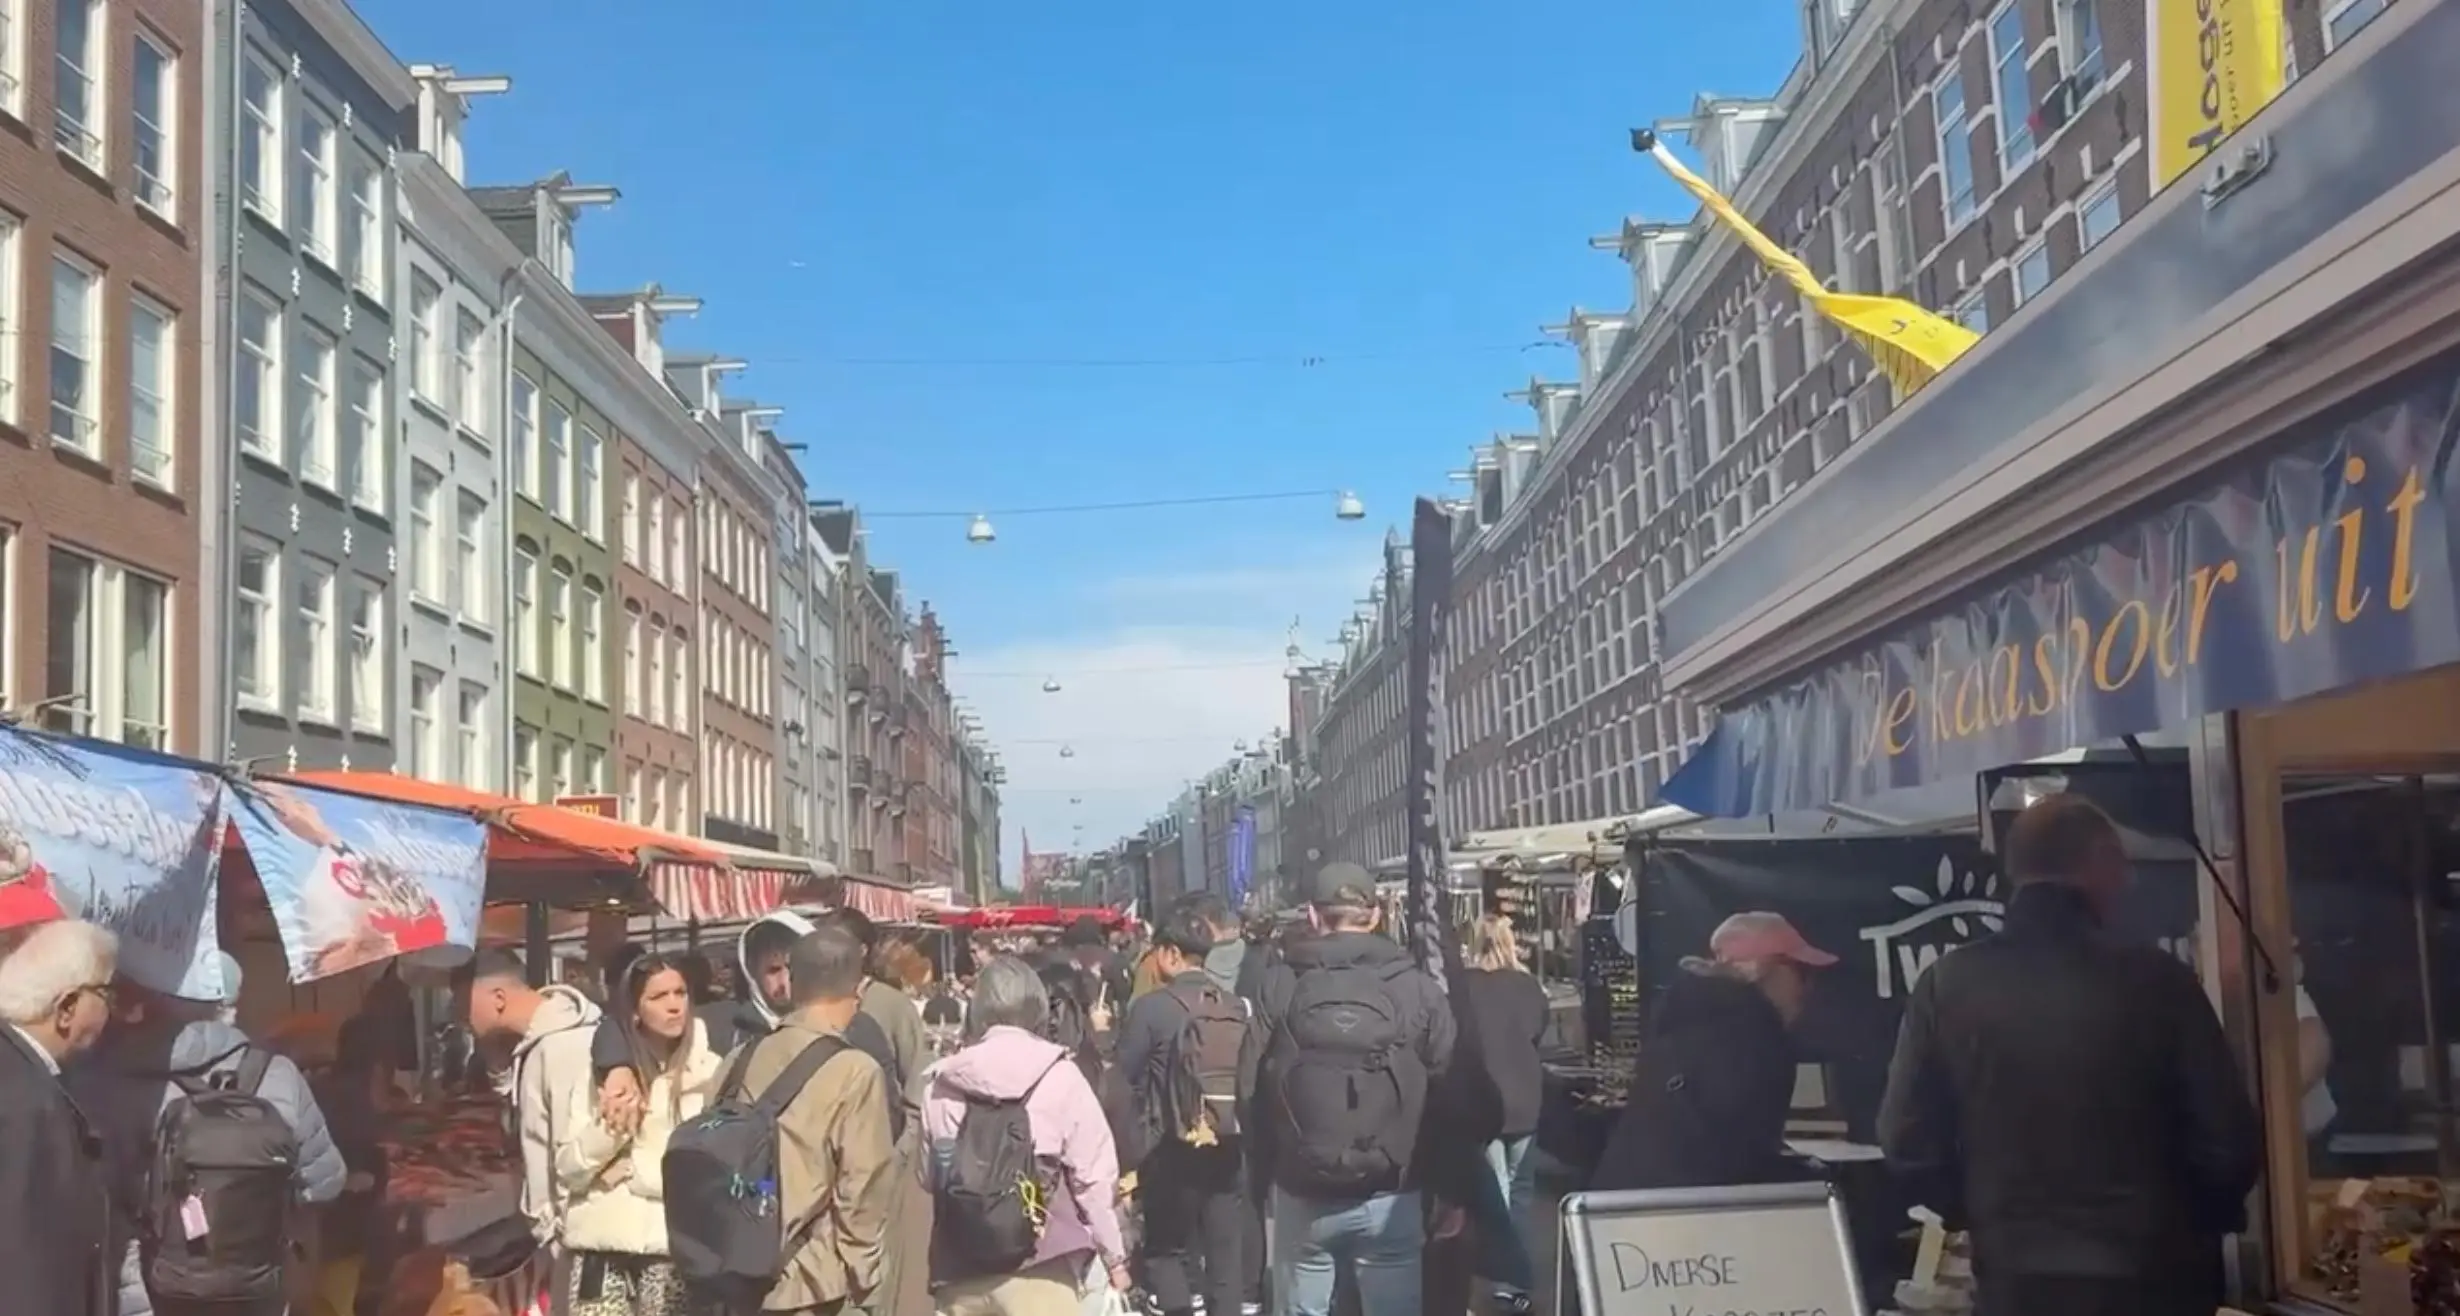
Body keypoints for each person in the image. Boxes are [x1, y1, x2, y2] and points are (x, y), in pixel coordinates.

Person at [1879, 794, 2263, 1316]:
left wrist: (1973, 1213)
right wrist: (2194, 1228)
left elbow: (1904, 1137)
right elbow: (2227, 1141)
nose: (2127, 880)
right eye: (2121, 863)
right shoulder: (2160, 981)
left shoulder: (1945, 985)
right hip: (2156, 1279)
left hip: (2017, 1282)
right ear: (2098, 861)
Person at [1244, 862, 1456, 1316]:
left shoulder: (1280, 982)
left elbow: (1249, 1085)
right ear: (1375, 915)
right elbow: (1448, 1089)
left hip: (1302, 1188)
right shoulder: (1416, 986)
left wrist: (1263, 1176)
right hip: (1394, 1188)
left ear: (1313, 916)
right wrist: (1449, 1186)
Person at [76, 969, 350, 1316]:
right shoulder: (276, 1073)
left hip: (145, 1296)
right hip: (255, 1294)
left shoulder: (97, 1083)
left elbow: (80, 1205)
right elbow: (325, 1185)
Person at [921, 956, 1130, 1315]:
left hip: (960, 1269)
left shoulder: (942, 1082)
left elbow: (930, 1176)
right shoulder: (1061, 1076)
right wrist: (1115, 1259)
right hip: (1043, 1264)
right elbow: (1093, 1180)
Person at [1591, 911, 1828, 1193]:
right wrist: (1813, 1177)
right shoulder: (1751, 1037)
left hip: (1630, 1205)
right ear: (1767, 969)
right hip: (1687, 1211)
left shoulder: (1688, 1020)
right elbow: (1739, 1162)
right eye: (1802, 972)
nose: (1808, 988)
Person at [729, 924, 899, 1315]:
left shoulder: (738, 1060)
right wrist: (866, 1278)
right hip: (816, 1283)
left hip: (737, 1274)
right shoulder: (854, 1070)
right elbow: (863, 1187)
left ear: (794, 982)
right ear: (857, 989)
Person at [555, 953, 724, 1315]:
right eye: (658, 997)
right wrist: (613, 1130)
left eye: (680, 993)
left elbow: (710, 1173)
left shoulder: (711, 1073)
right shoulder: (600, 1076)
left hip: (673, 1251)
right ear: (635, 1010)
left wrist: (634, 1170)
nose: (674, 1005)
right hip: (600, 1247)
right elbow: (567, 1168)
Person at [1118, 899, 1253, 1316]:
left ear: (1170, 953)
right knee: (1225, 1258)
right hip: (1228, 1145)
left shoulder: (1150, 1008)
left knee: (1166, 1251)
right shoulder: (1234, 1005)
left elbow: (1123, 1079)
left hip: (1170, 1147)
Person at [0, 919, 119, 1316]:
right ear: (67, 1008)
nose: (111, 1010)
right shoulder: (25, 1100)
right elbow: (21, 1252)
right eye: (105, 994)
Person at [458, 946, 605, 1250]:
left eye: (462, 1005)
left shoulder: (565, 1047)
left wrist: (557, 1237)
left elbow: (575, 1154)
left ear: (499, 998)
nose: (460, 1019)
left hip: (574, 1237)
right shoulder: (533, 1044)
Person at [1455, 916, 1549, 1315]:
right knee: (1521, 1193)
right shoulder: (1529, 986)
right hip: (1526, 1097)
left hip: (1485, 1100)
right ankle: (1516, 1281)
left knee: (1496, 1192)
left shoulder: (1463, 987)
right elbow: (1538, 1032)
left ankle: (1501, 1278)